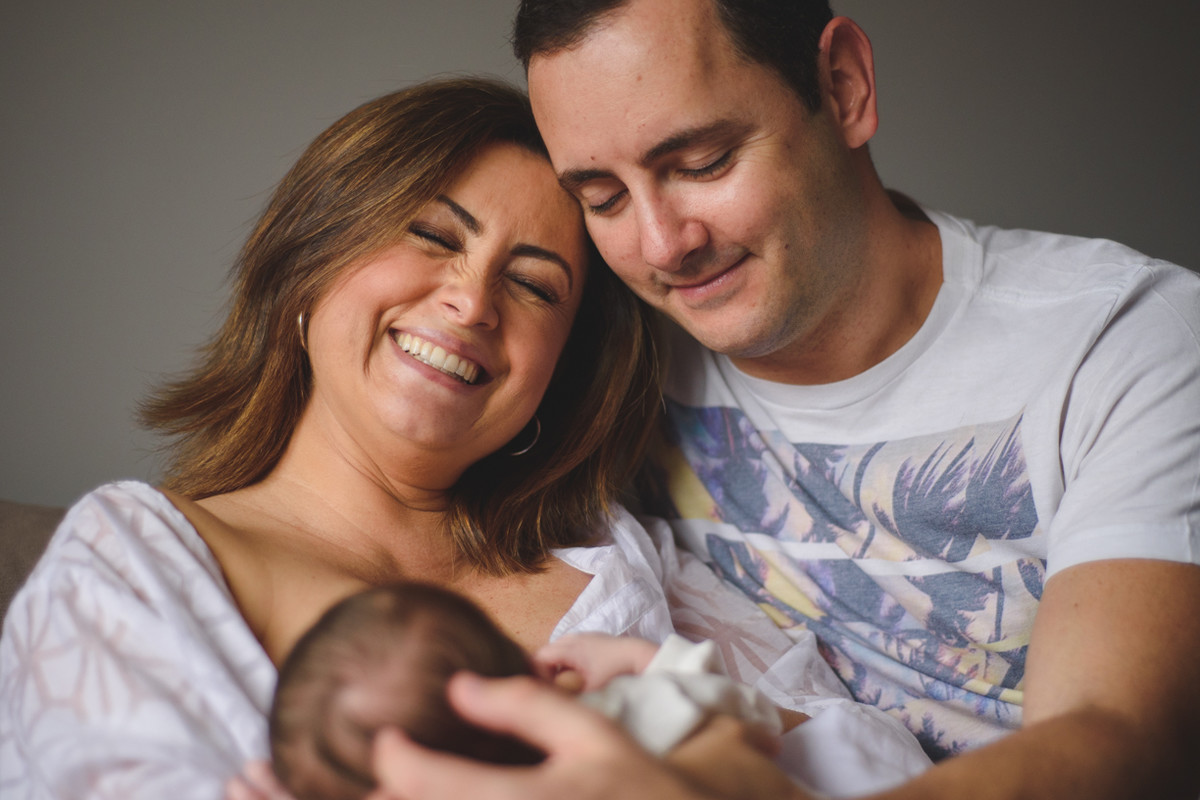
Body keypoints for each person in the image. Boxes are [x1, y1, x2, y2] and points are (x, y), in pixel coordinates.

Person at [0, 75, 926, 800]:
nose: (472, 302)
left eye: (533, 285)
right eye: (434, 237)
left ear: (556, 372)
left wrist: (720, 733)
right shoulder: (134, 560)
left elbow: (884, 767)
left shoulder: (612, 559)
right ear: (307, 268)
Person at [368, 2, 1200, 799]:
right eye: (603, 198)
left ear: (844, 86)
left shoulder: (1123, 342)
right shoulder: (607, 361)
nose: (663, 246)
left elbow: (1118, 742)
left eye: (702, 163)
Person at [269, 580, 929, 800]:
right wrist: (642, 658)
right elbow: (751, 719)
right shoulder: (613, 719)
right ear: (532, 676)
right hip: (861, 779)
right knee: (841, 731)